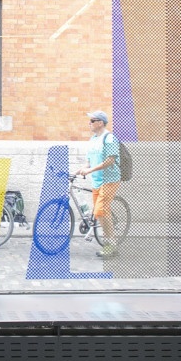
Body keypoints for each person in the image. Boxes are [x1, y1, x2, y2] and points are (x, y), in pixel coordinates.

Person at [75, 110, 122, 258]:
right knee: (101, 212)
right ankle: (111, 242)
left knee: (100, 211)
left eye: (92, 121)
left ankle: (111, 246)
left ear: (100, 123)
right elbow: (89, 161)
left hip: (110, 180)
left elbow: (110, 160)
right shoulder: (93, 140)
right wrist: (80, 170)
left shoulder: (110, 138)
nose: (89, 123)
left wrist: (90, 170)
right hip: (97, 181)